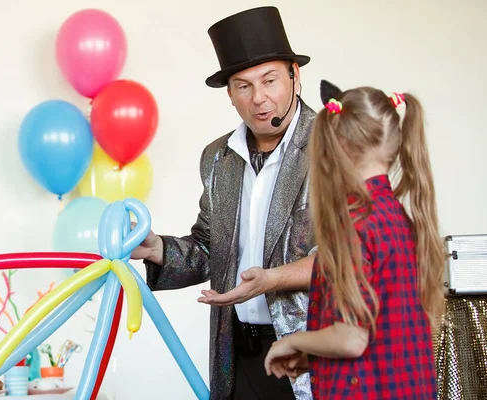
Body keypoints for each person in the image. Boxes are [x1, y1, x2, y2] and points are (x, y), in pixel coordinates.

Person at [131, 6, 317, 400]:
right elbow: (210, 249)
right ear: (229, 94)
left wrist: (272, 279)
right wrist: (159, 249)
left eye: (270, 80)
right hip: (238, 356)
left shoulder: (334, 146)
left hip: (312, 356)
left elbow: (355, 257)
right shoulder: (218, 157)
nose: (260, 99)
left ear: (294, 76)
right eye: (243, 86)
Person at [258, 80, 444, 399]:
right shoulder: (399, 219)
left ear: (338, 149)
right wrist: (316, 355)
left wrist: (291, 341)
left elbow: (351, 339)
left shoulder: (353, 226)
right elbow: (378, 334)